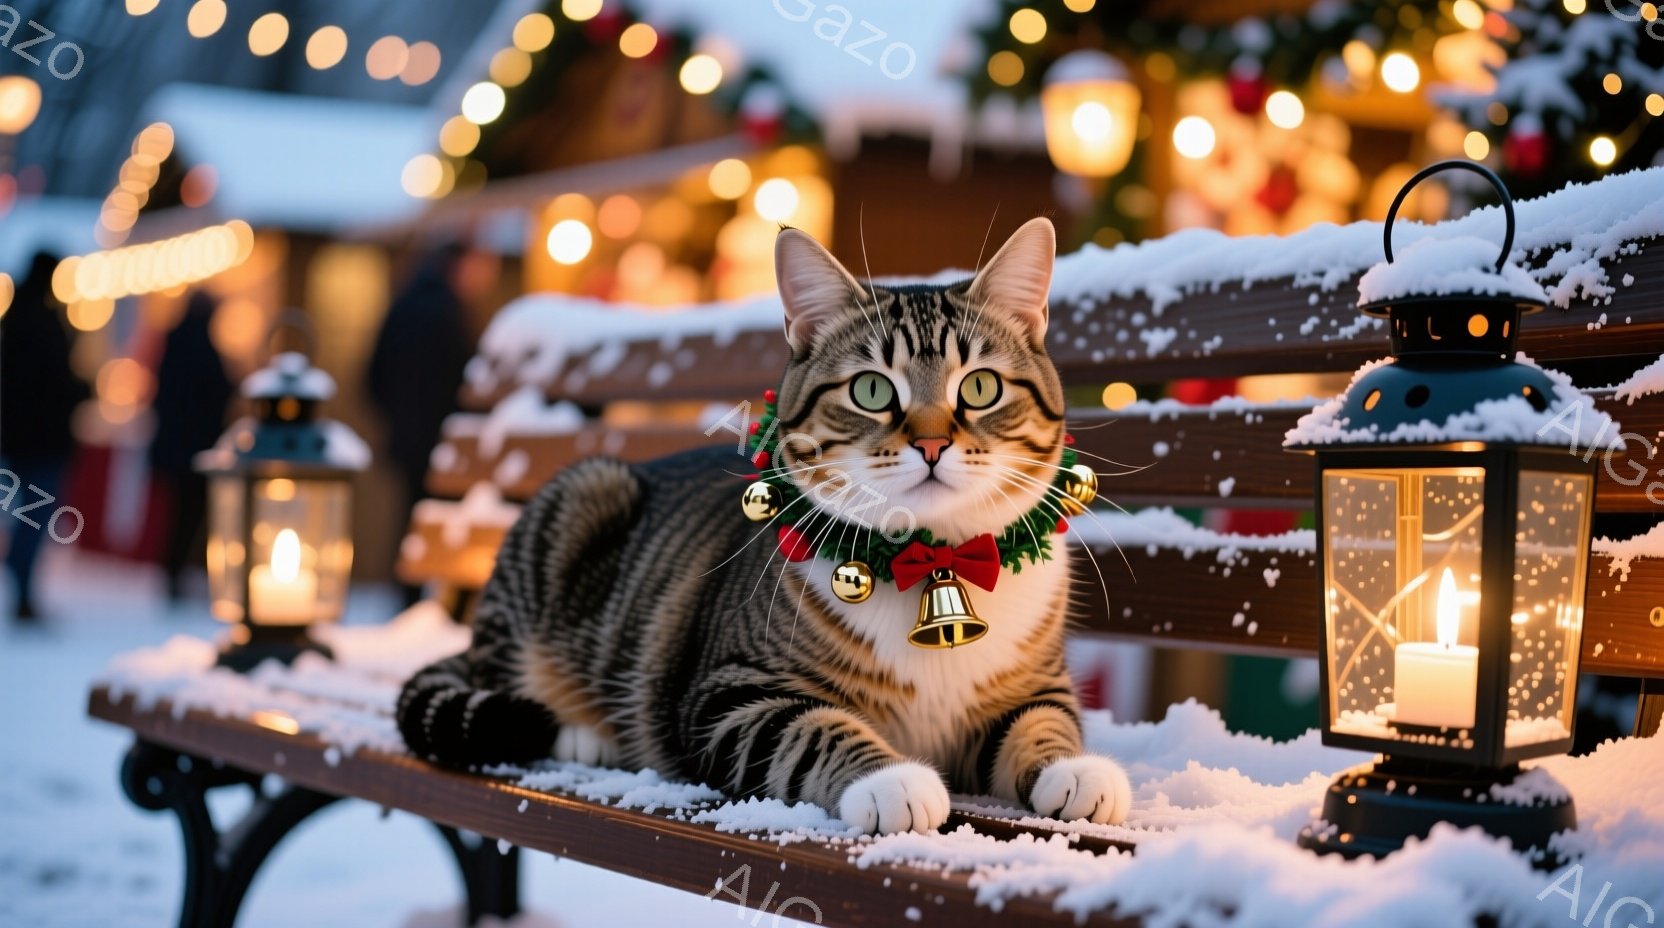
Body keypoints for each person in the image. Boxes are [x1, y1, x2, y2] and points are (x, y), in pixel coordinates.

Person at [367, 244, 476, 606]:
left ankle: (408, 599)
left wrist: (397, 416)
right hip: (443, 440)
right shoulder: (450, 312)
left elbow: (371, 378)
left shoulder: (401, 306)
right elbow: (464, 380)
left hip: (406, 438)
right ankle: (437, 602)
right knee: (442, 521)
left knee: (409, 516)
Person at [1, 252, 90, 621]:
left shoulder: (14, 317)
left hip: (19, 438)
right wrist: (81, 390)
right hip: (43, 441)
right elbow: (52, 384)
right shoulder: (44, 320)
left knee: (28, 515)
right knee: (35, 518)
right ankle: (22, 586)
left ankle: (22, 585)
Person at [149, 291, 234, 602]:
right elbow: (215, 395)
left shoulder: (173, 343)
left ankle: (175, 572)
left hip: (176, 446)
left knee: (179, 514)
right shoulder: (202, 348)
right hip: (195, 448)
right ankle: (179, 571)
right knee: (190, 514)